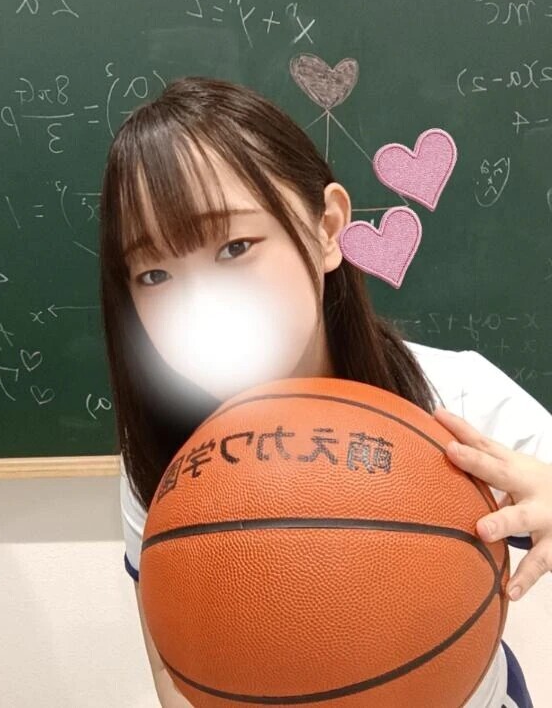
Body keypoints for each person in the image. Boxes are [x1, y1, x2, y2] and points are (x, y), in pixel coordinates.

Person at [99, 77, 552, 708]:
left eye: (234, 246)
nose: (199, 304)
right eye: (154, 274)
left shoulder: (456, 395)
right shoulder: (166, 458)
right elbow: (174, 673)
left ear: (328, 227)